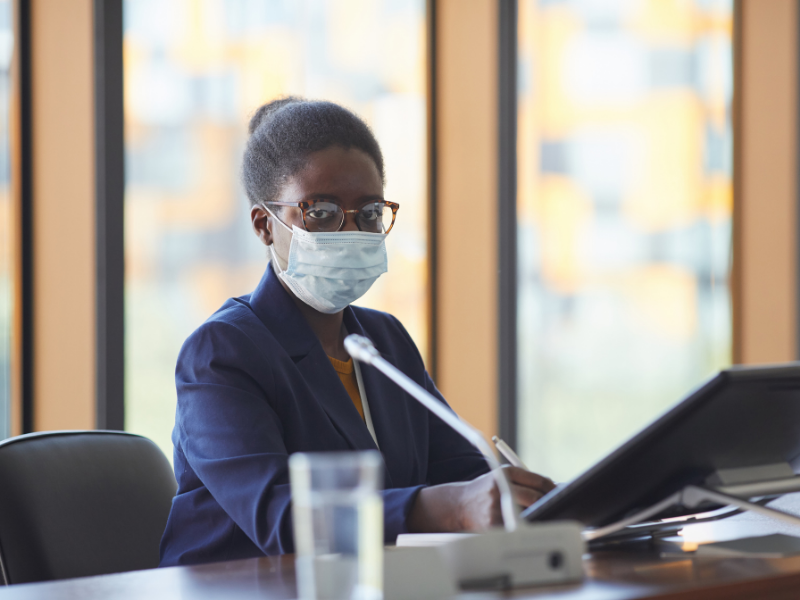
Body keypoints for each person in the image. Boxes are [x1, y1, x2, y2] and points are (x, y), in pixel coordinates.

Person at [159, 97, 555, 567]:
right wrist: (451, 508)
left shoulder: (383, 343)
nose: (351, 229)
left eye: (369, 212)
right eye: (320, 212)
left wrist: (532, 499)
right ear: (265, 225)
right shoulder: (221, 353)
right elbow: (280, 518)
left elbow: (462, 474)